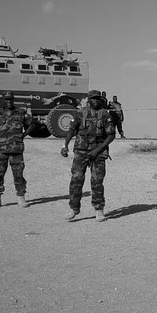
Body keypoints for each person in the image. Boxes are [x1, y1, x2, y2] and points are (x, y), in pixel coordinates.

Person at [60, 89, 116, 222]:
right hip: (81, 151)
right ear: (88, 100)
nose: (95, 101)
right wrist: (65, 145)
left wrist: (97, 150)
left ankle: (99, 210)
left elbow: (111, 135)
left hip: (99, 152)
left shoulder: (105, 115)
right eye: (93, 98)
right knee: (76, 179)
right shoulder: (80, 113)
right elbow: (72, 130)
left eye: (97, 98)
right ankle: (73, 208)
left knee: (97, 182)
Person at [0, 91, 34, 208]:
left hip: (16, 150)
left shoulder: (20, 113)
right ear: (3, 100)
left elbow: (31, 125)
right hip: (1, 150)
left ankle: (21, 198)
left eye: (11, 99)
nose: (9, 102)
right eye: (6, 99)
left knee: (18, 174)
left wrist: (23, 136)